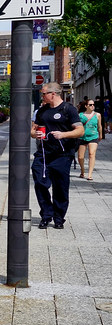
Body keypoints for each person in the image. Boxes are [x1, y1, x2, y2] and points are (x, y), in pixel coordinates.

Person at [31, 83, 85, 229]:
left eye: (44, 94)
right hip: (43, 153)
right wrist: (34, 134)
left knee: (60, 187)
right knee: (40, 183)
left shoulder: (68, 109)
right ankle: (46, 215)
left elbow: (80, 131)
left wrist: (63, 134)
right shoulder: (42, 110)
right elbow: (32, 130)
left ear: (53, 94)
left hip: (62, 155)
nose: (42, 96)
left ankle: (59, 217)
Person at [77, 98, 103, 181]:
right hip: (82, 137)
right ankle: (82, 171)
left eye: (93, 105)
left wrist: (100, 135)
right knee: (80, 157)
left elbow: (99, 126)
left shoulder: (97, 115)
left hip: (93, 136)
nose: (92, 106)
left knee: (92, 154)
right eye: (90, 105)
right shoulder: (80, 115)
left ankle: (90, 174)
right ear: (86, 106)